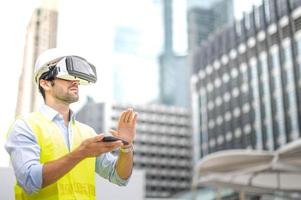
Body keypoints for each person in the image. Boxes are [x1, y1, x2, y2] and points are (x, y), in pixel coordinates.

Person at [5, 48, 137, 200]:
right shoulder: (25, 126)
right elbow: (29, 180)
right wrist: (81, 153)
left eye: (76, 77)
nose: (75, 81)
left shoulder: (87, 133)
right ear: (46, 83)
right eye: (67, 75)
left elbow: (119, 177)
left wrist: (127, 147)